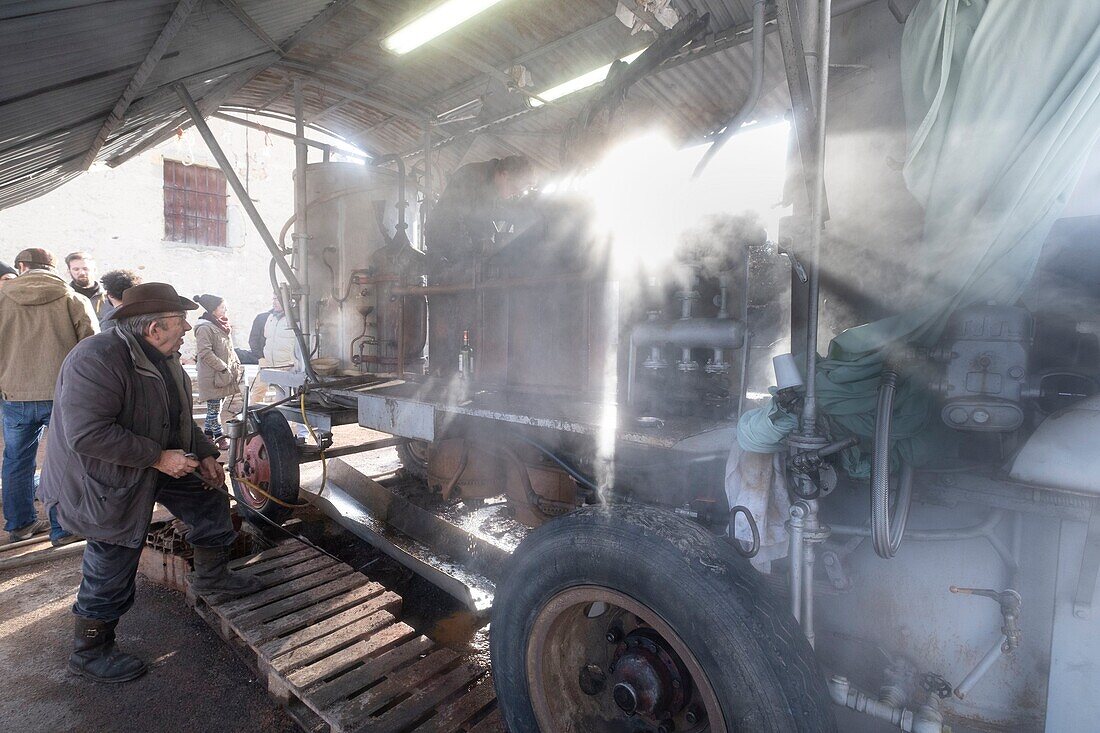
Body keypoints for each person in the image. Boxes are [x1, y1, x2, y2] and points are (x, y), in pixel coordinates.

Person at [39, 282, 263, 683]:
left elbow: (178, 419)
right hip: (101, 475)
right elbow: (86, 434)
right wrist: (159, 458)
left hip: (153, 461)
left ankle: (213, 578)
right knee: (113, 554)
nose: (187, 332)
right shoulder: (97, 358)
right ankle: (90, 651)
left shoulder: (167, 357)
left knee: (209, 496)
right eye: (180, 323)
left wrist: (205, 453)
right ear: (154, 328)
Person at [0, 248, 96, 545]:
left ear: (22, 266)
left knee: (16, 460)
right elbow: (93, 348)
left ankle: (20, 525)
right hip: (63, 394)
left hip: (14, 394)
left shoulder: (1, 298)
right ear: (54, 269)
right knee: (64, 460)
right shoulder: (74, 298)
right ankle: (63, 528)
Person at [192, 294, 244, 450]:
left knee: (215, 409)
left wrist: (235, 365)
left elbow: (228, 349)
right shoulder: (204, 328)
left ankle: (208, 437)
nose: (225, 310)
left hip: (222, 375)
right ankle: (219, 438)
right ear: (213, 309)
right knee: (214, 410)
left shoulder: (219, 325)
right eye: (222, 307)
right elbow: (205, 352)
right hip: (213, 376)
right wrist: (222, 367)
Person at [246, 297, 278, 404]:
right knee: (260, 388)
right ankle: (253, 414)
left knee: (286, 391)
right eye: (274, 298)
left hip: (286, 360)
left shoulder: (292, 319)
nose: (274, 301)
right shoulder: (262, 318)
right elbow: (253, 340)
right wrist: (261, 357)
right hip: (265, 359)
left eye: (277, 299)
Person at [65, 251, 110, 322]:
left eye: (85, 269)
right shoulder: (64, 298)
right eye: (76, 269)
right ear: (69, 271)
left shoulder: (110, 296)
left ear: (95, 270)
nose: (82, 273)